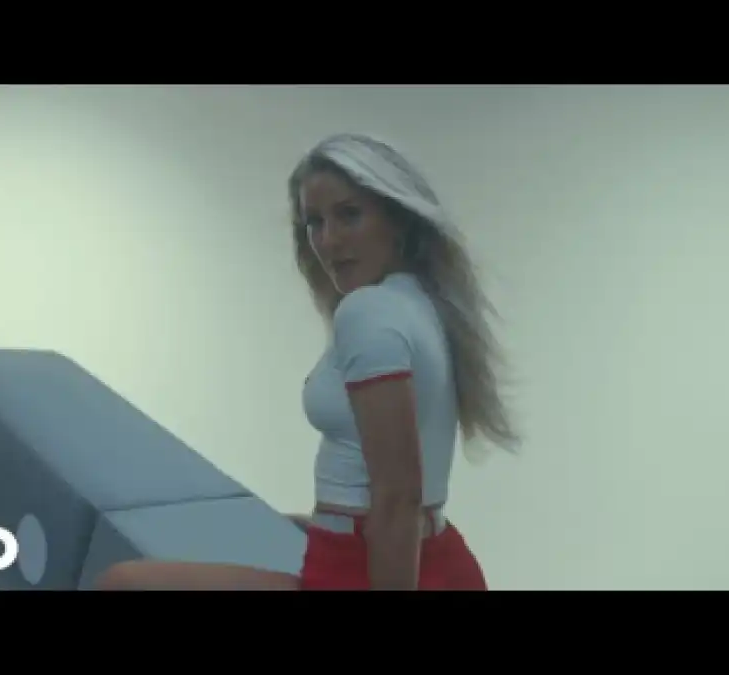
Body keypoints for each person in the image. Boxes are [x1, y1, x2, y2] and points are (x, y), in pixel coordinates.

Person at [95, 132, 519, 591]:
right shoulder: (422, 303)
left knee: (122, 583)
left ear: (396, 218)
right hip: (420, 557)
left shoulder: (369, 312)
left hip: (366, 569)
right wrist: (316, 522)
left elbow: (399, 495)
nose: (329, 240)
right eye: (314, 223)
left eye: (349, 215)